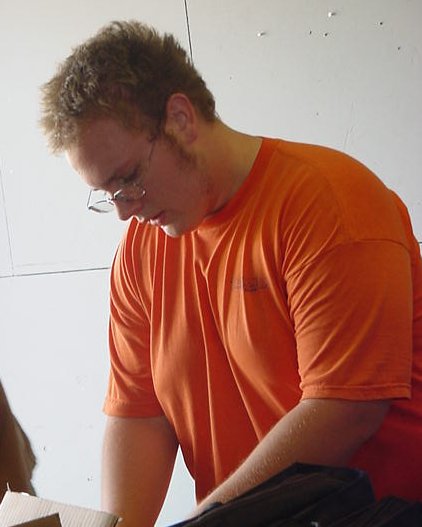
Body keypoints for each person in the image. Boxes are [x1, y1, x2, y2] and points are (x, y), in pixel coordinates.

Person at [40, 20, 422, 527]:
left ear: (180, 119)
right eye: (107, 194)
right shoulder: (141, 250)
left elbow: (343, 411)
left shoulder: (329, 203)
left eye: (128, 179)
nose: (124, 211)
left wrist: (204, 522)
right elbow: (140, 415)